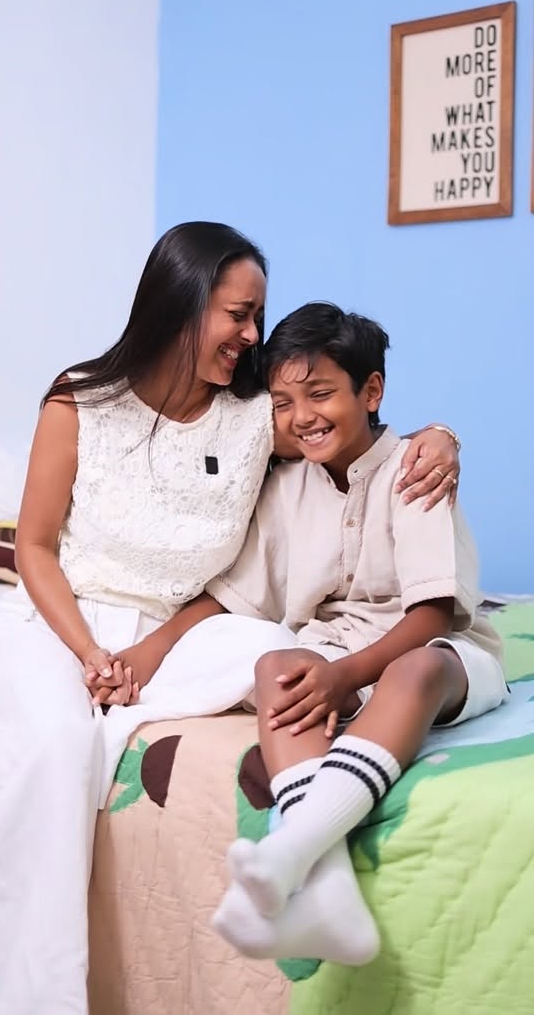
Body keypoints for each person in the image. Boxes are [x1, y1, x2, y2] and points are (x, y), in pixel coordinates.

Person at [0, 225, 460, 1015]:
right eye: (239, 315)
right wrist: (87, 654)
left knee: (280, 653)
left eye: (258, 316)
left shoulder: (255, 414)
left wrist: (440, 437)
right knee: (49, 748)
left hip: (176, 630)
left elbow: (349, 425)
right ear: (182, 305)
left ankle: (311, 873)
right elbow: (35, 548)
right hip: (63, 623)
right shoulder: (78, 400)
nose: (252, 335)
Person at [205, 302, 507, 967]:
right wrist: (140, 654)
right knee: (277, 667)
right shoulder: (286, 488)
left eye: (320, 394)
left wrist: (344, 675)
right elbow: (233, 597)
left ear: (371, 391)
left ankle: (290, 846)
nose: (302, 416)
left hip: (441, 654)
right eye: (283, 403)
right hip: (335, 649)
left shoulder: (417, 469)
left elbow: (432, 618)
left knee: (414, 669)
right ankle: (331, 894)